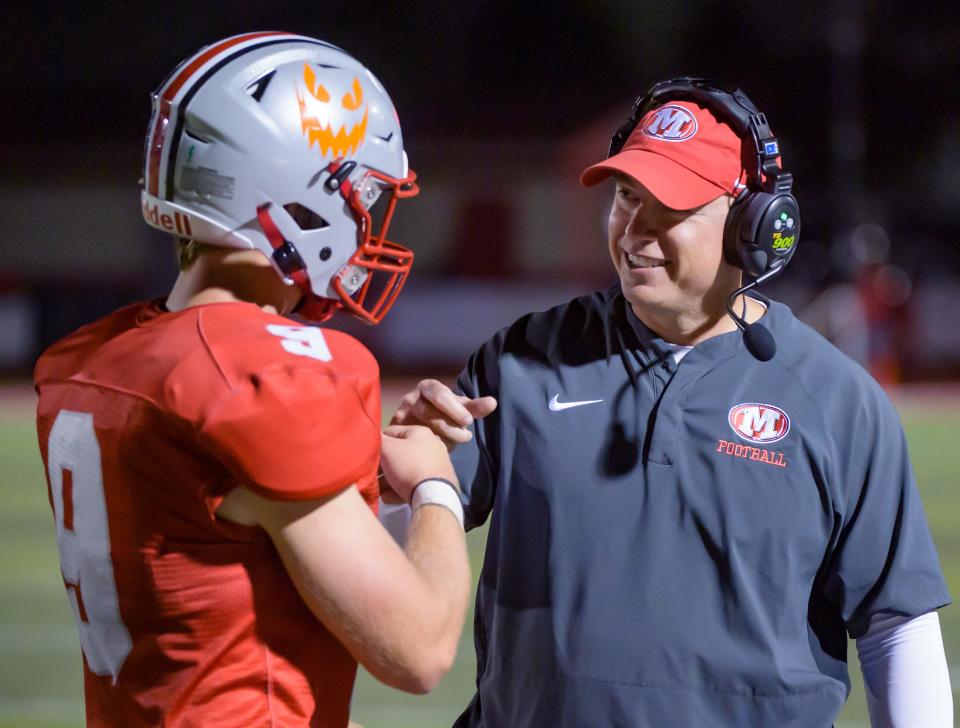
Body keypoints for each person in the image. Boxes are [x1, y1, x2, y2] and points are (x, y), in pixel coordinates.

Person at [390, 79, 952, 726]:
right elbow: (401, 541)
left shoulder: (837, 400)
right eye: (628, 197)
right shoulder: (521, 360)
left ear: (753, 227)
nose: (636, 229)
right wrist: (409, 468)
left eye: (673, 207)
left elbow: (895, 630)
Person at [34, 32, 470, 728]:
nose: (367, 226)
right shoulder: (262, 371)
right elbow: (418, 650)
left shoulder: (91, 359)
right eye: (361, 197)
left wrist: (361, 482)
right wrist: (434, 485)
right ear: (299, 197)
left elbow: (244, 583)